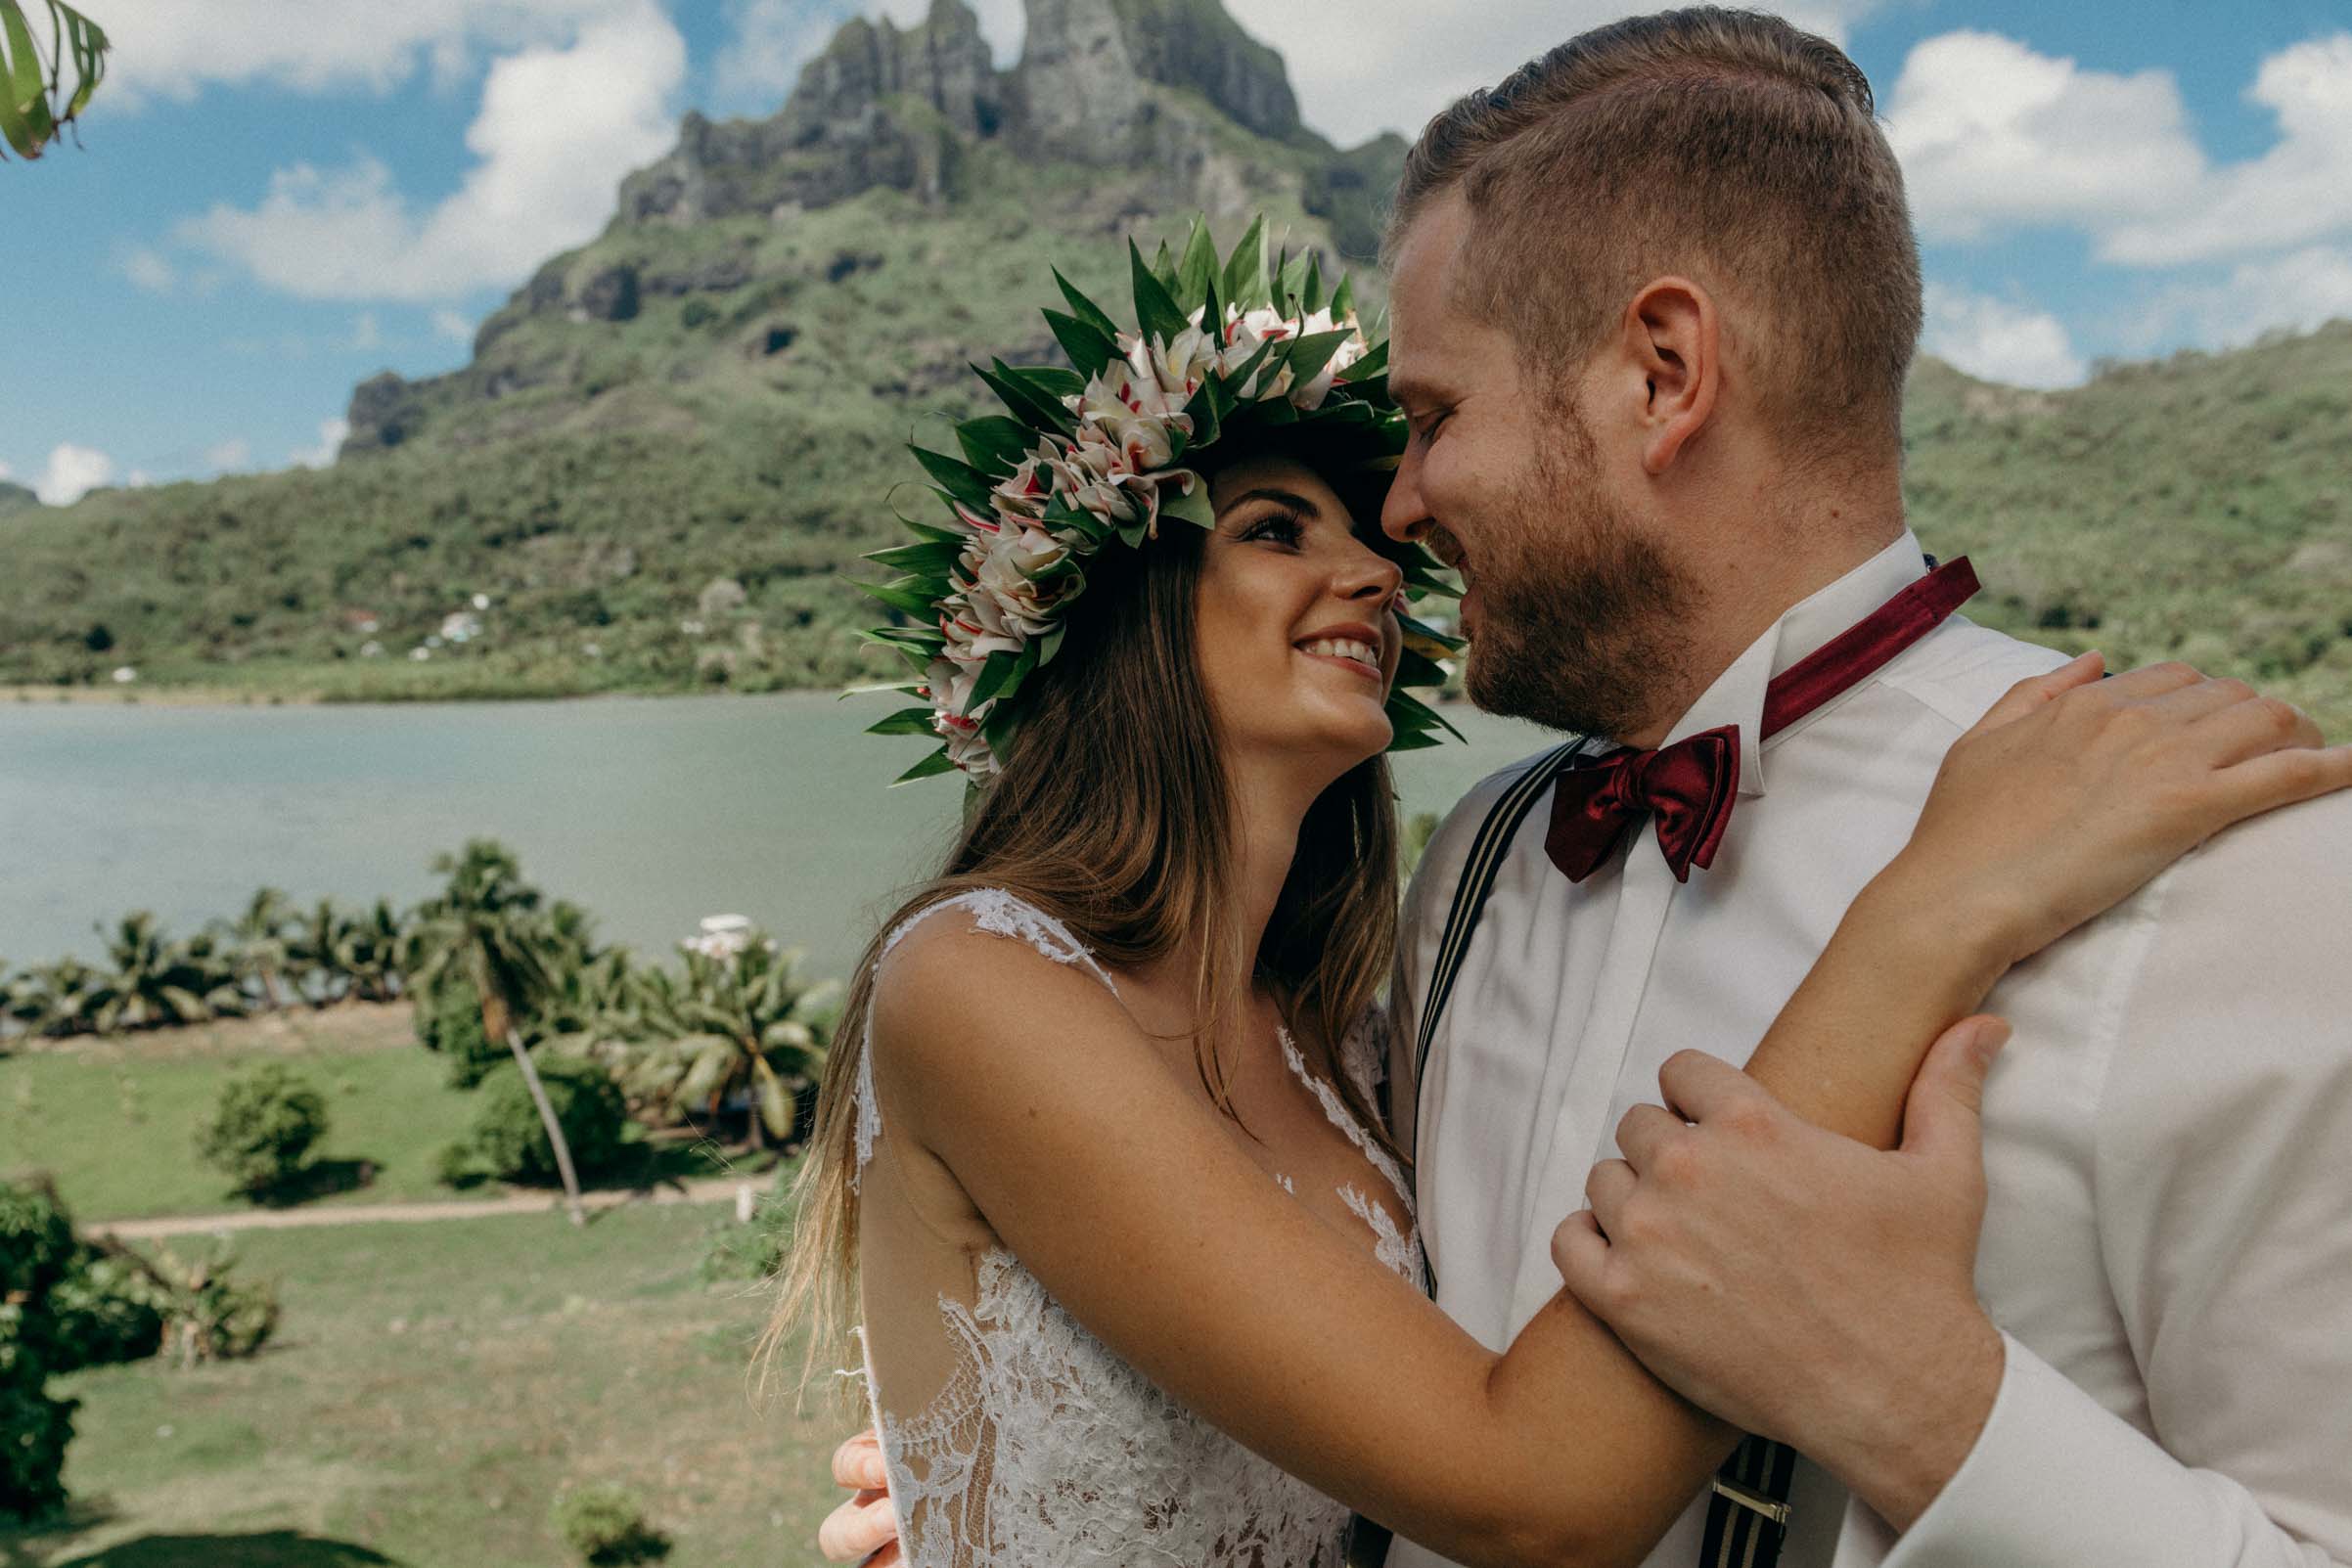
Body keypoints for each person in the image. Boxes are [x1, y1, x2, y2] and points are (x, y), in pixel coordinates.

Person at [785, 204, 2352, 1565]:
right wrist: (1932, 911)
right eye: (1277, 528)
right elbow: (1529, 1490)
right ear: (1119, 618)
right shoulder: (1008, 973)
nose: (1394, 548)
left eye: (1426, 432)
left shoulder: (1338, 1015)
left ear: (1670, 373)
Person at [1368, 10, 2352, 1568]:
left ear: (1661, 375)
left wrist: (1922, 1404)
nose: (1402, 501)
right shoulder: (1477, 867)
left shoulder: (2232, 877)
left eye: (1435, 419)